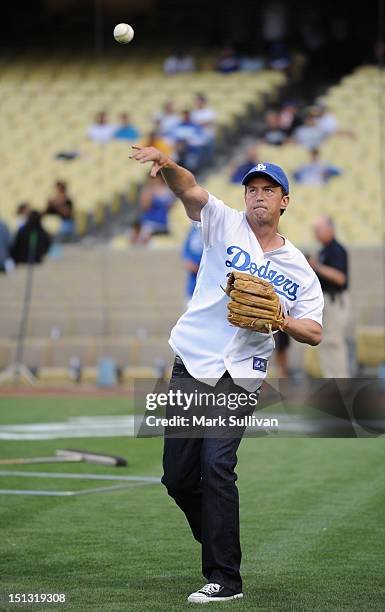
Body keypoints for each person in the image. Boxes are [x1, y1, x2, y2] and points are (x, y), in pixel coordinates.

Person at [130, 144, 323, 603]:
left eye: (268, 189)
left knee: (217, 465)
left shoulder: (299, 268)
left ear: (284, 201)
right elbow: (191, 189)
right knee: (176, 478)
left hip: (240, 375)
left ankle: (225, 578)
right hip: (192, 362)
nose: (258, 196)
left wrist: (280, 320)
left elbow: (313, 332)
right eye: (252, 188)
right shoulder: (223, 221)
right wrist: (169, 166)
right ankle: (217, 540)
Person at [308, 216, 350, 378]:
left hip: (335, 300)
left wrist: (317, 266)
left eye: (318, 230)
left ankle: (340, 381)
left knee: (334, 342)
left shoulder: (337, 250)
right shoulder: (324, 251)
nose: (315, 234)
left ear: (330, 230)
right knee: (324, 342)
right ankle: (331, 380)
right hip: (326, 301)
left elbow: (340, 278)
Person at [136, 175, 175, 243]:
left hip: (163, 223)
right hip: (149, 223)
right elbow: (145, 206)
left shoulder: (167, 191)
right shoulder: (147, 191)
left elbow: (171, 207)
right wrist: (151, 194)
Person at [182, 224, 204, 305]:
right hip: (193, 285)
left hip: (210, 287)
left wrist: (201, 268)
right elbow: (186, 249)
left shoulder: (215, 228)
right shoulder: (194, 228)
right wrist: (188, 262)